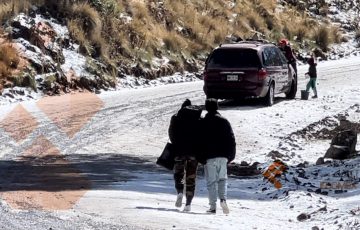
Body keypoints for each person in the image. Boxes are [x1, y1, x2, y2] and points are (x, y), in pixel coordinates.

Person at [199, 98, 236, 214]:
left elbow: (198, 141)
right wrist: (231, 156)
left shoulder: (203, 122)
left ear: (206, 108)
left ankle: (212, 206)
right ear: (217, 107)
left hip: (209, 156)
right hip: (223, 156)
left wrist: (200, 157)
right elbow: (231, 139)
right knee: (222, 180)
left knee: (211, 182)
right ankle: (223, 199)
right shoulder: (224, 121)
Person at [168, 99, 201, 212]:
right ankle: (188, 204)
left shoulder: (176, 118)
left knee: (179, 174)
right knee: (191, 178)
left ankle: (180, 192)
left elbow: (171, 134)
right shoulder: (198, 119)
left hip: (179, 151)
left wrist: (176, 144)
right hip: (194, 153)